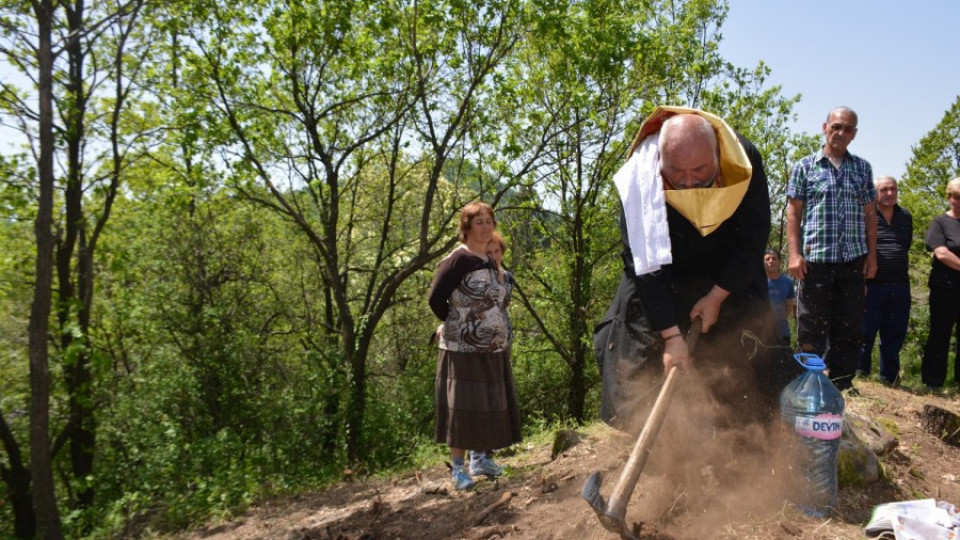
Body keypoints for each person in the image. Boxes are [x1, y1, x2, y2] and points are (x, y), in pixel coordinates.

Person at [595, 106, 794, 429]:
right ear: (660, 164)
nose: (688, 183)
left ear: (717, 156)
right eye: (677, 174)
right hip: (663, 263)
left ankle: (744, 426)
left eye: (700, 171)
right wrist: (671, 335)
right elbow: (643, 263)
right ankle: (657, 433)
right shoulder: (639, 176)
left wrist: (717, 296)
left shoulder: (744, 160)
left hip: (727, 263)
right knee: (639, 341)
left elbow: (753, 238)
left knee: (747, 338)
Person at [428, 202, 521, 490]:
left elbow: (496, 301)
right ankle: (458, 471)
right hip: (462, 349)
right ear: (466, 227)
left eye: (489, 220)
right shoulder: (458, 259)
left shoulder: (489, 259)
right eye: (478, 221)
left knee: (485, 405)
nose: (485, 226)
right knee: (463, 408)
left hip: (492, 348)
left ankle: (479, 460)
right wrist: (458, 325)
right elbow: (436, 299)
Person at [786, 106, 877, 392]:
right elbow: (793, 213)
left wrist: (872, 255)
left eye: (847, 129)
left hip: (853, 257)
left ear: (854, 134)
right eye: (836, 126)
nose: (840, 133)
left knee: (849, 323)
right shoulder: (805, 166)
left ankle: (841, 382)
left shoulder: (862, 168)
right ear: (825, 127)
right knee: (811, 323)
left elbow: (870, 214)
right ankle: (809, 381)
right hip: (815, 259)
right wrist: (793, 254)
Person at [857, 176, 913, 385]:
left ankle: (889, 377)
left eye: (893, 189)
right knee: (865, 331)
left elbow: (904, 245)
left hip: (900, 284)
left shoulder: (905, 216)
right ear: (875, 193)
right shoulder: (866, 215)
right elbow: (860, 249)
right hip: (872, 285)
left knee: (895, 332)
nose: (890, 193)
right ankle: (860, 373)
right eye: (884, 190)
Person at [920, 177, 960, 391]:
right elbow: (942, 253)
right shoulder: (940, 222)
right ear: (949, 197)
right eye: (957, 197)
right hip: (945, 287)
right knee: (940, 334)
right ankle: (933, 382)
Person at [765, 249, 796, 347]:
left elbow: (789, 307)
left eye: (774, 259)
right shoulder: (759, 283)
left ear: (779, 262)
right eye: (767, 259)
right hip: (763, 335)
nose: (771, 261)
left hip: (782, 333)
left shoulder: (788, 282)